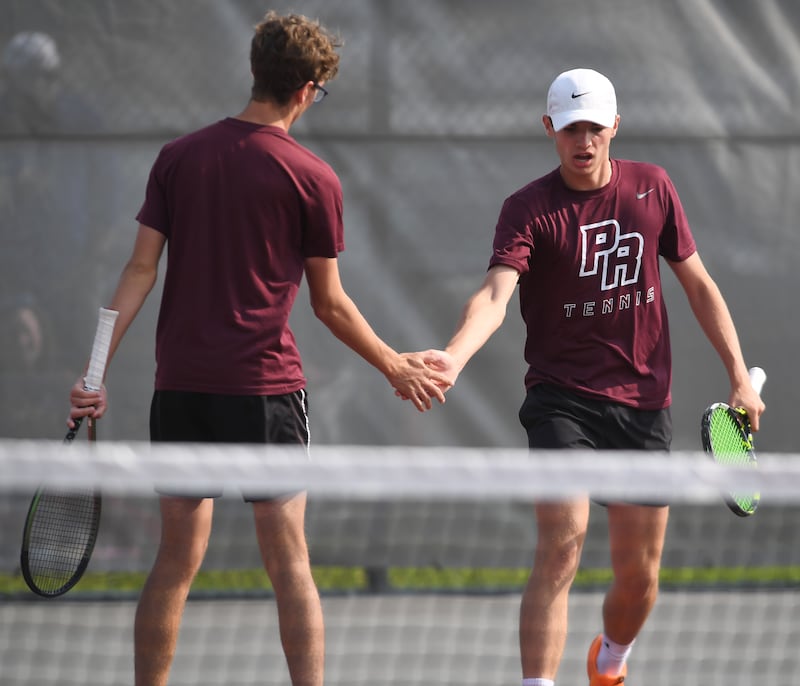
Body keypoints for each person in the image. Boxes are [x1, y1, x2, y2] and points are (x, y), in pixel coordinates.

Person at [67, 11, 450, 686]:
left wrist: (94, 370)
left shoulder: (177, 158)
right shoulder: (313, 177)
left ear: (255, 73)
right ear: (306, 89)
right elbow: (329, 304)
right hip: (266, 395)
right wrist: (394, 362)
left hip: (182, 390)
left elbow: (137, 271)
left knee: (175, 561)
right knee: (290, 564)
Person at [422, 68, 765, 686]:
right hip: (562, 401)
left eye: (595, 128)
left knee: (640, 578)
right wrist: (454, 354)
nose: (584, 141)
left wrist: (738, 375)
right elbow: (495, 296)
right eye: (571, 128)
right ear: (550, 128)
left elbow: (699, 286)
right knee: (563, 542)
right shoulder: (527, 209)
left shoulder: (653, 189)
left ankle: (609, 661)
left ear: (615, 127)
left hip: (643, 403)